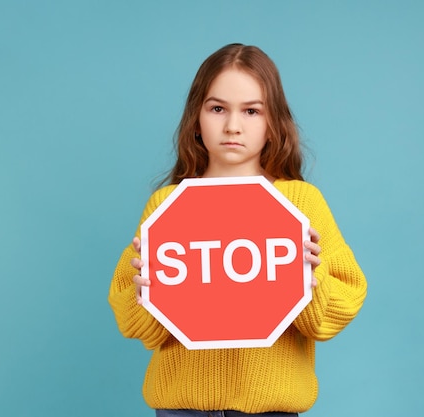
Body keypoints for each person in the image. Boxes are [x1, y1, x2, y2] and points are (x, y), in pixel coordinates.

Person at [108, 43, 367, 417]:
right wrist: (144, 292)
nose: (233, 125)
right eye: (217, 109)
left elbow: (336, 309)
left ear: (272, 122)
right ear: (196, 118)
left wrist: (313, 279)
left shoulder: (301, 203)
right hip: (180, 410)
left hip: (271, 411)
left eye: (251, 111)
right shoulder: (167, 205)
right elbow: (135, 321)